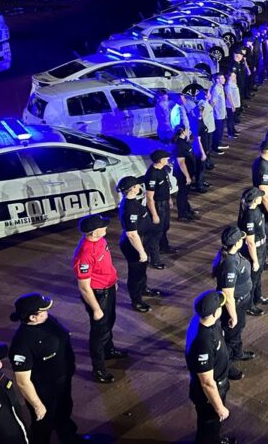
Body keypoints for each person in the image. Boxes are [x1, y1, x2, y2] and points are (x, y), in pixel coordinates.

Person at [8, 294, 80, 444]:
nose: (47, 313)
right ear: (32, 317)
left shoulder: (48, 320)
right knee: (43, 426)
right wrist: (38, 405)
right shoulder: (21, 344)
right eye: (43, 311)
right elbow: (23, 382)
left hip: (62, 380)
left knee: (64, 412)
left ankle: (68, 438)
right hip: (44, 391)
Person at [73, 214, 128, 384]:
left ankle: (108, 349)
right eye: (103, 226)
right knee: (99, 332)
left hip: (108, 288)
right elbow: (84, 286)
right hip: (98, 294)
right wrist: (96, 309)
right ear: (95, 232)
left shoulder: (100, 241)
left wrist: (113, 281)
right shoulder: (85, 253)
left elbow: (106, 265)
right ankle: (99, 369)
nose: (106, 227)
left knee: (110, 322)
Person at [185, 291, 236, 444]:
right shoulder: (203, 342)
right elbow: (207, 383)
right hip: (208, 394)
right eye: (220, 306)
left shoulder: (202, 322)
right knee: (210, 425)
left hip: (217, 385)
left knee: (212, 427)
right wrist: (220, 407)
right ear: (215, 313)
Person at [212, 227, 256, 371]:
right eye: (241, 239)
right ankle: (227, 366)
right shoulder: (229, 264)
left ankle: (238, 353)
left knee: (237, 331)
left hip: (241, 301)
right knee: (230, 336)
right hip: (234, 305)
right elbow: (228, 295)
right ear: (236, 243)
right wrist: (233, 315)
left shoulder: (232, 255)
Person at [118, 176, 161, 311]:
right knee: (135, 274)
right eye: (137, 185)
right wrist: (141, 251)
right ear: (133, 189)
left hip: (140, 241)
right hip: (133, 245)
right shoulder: (129, 209)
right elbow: (131, 233)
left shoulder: (132, 202)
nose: (139, 186)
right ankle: (136, 301)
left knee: (142, 270)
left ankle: (143, 289)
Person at [238, 187, 268, 317]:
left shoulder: (256, 210)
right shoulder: (250, 216)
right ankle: (249, 305)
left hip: (261, 247)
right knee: (253, 280)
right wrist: (254, 260)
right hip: (255, 250)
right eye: (259, 196)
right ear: (254, 200)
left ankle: (258, 297)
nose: (261, 197)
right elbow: (250, 241)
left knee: (258, 277)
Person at [145, 149, 176, 264]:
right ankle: (155, 259)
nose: (168, 159)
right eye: (166, 158)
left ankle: (164, 247)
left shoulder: (162, 169)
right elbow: (149, 197)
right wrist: (154, 214)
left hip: (165, 203)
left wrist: (169, 199)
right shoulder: (152, 174)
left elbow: (165, 187)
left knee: (165, 227)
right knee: (156, 233)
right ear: (160, 160)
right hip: (157, 206)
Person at [173, 125, 197, 220]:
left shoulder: (183, 142)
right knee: (182, 194)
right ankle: (182, 214)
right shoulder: (179, 145)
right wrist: (187, 176)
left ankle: (187, 209)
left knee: (185, 193)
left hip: (188, 172)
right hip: (182, 174)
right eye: (187, 129)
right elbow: (181, 162)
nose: (189, 130)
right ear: (183, 132)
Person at [224, 71, 241, 140]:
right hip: (231, 105)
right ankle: (230, 133)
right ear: (229, 77)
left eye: (235, 76)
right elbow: (229, 96)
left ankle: (233, 130)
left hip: (236, 104)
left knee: (233, 119)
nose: (234, 77)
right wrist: (232, 105)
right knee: (230, 120)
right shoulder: (228, 85)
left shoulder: (234, 83)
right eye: (233, 76)